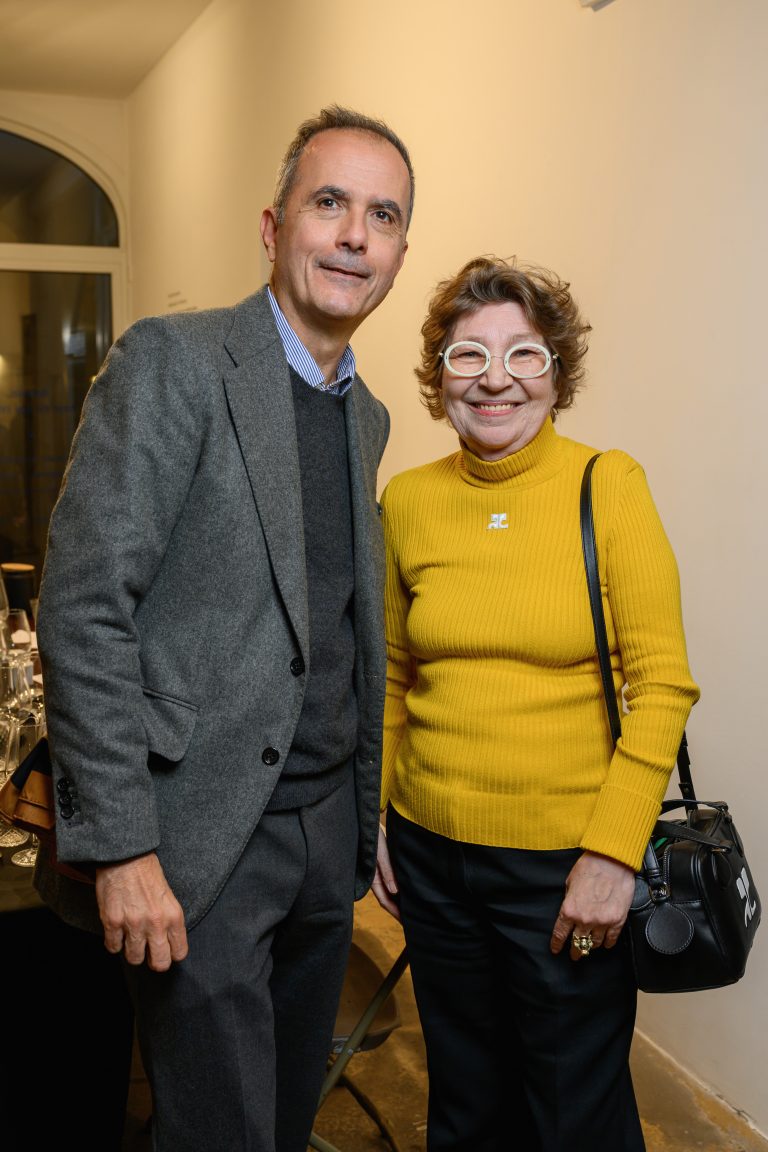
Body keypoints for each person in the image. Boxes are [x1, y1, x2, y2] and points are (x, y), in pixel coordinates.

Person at [34, 104, 413, 1152]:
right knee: (217, 1132)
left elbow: (324, 625)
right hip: (199, 837)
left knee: (281, 1122)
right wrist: (122, 846)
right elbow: (82, 604)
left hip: (323, 835)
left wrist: (360, 830)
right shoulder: (176, 362)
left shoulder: (365, 416)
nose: (352, 234)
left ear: (397, 254)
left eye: (381, 216)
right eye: (327, 203)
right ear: (273, 224)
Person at [373, 255, 700, 1151]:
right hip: (432, 858)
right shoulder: (407, 502)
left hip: (566, 864)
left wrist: (613, 852)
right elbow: (394, 673)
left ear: (558, 372)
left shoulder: (610, 486)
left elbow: (662, 681)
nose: (495, 381)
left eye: (524, 356)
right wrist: (379, 819)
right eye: (468, 356)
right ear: (439, 376)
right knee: (467, 1101)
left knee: (573, 1110)